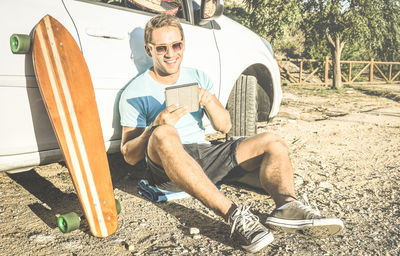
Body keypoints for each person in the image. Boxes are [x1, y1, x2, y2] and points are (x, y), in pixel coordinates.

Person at [119, 14, 344, 253]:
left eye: (176, 45)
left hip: (205, 154)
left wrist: (209, 101)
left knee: (273, 141)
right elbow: (129, 155)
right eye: (161, 48)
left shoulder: (198, 77)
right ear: (149, 50)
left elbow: (224, 127)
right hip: (166, 167)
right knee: (165, 133)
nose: (170, 53)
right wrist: (154, 127)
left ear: (183, 45)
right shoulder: (135, 92)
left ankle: (287, 205)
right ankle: (235, 216)